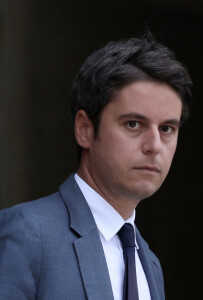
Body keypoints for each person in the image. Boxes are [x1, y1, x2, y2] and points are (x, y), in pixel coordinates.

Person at [0, 35, 192, 300]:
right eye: (134, 124)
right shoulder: (29, 233)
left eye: (167, 128)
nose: (154, 145)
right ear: (85, 129)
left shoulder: (150, 264)